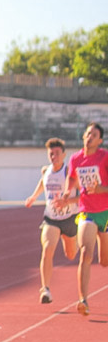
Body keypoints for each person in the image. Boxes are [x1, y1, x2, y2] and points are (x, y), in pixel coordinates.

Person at [57, 122, 108, 316]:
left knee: (104, 261)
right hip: (86, 210)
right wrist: (67, 191)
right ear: (83, 137)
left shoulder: (105, 157)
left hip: (106, 211)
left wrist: (101, 189)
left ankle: (103, 236)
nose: (89, 137)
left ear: (100, 140)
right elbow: (72, 178)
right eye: (88, 134)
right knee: (86, 253)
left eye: (94, 135)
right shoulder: (76, 159)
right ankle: (83, 300)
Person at [24, 138, 79, 304]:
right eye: (51, 154)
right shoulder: (46, 171)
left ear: (64, 154)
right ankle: (45, 289)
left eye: (57, 153)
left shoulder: (70, 173)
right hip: (51, 218)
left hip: (70, 218)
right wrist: (34, 196)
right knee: (47, 249)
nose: (54, 157)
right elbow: (43, 183)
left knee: (71, 255)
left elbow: (81, 195)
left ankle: (67, 237)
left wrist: (67, 201)